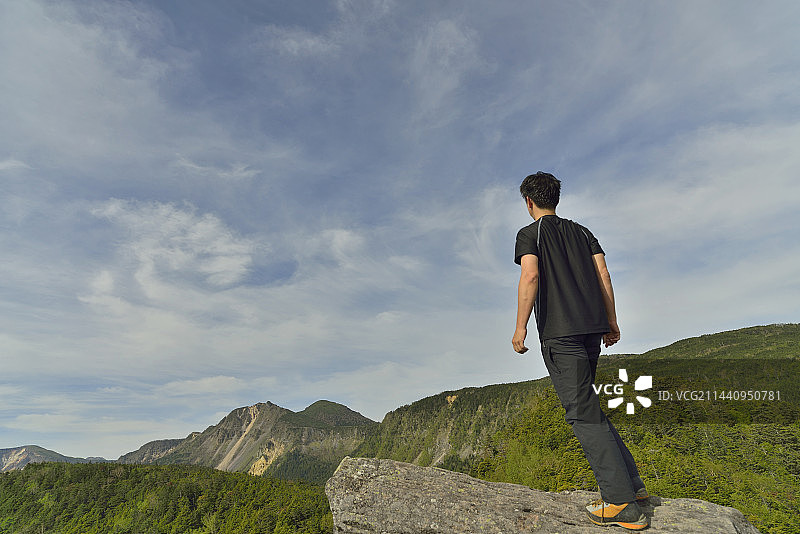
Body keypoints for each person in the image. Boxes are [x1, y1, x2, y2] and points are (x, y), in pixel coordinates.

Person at [512, 171, 649, 530]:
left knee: (582, 413)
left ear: (529, 201)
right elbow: (604, 274)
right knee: (590, 407)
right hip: (592, 330)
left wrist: (520, 327)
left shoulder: (530, 234)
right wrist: (612, 321)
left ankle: (622, 503)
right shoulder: (583, 232)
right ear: (556, 198)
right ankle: (633, 487)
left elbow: (530, 276)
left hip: (561, 334)